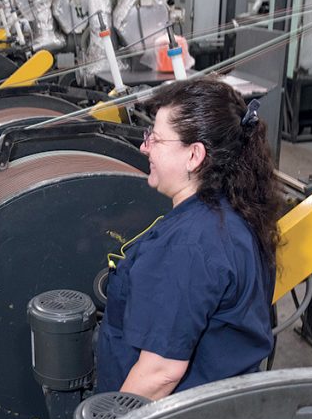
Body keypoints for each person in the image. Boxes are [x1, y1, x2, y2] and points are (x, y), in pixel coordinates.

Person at [95, 78, 281, 400]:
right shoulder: (231, 212)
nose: (144, 147)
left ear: (194, 155)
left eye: (155, 139)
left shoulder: (191, 246)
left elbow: (159, 373)